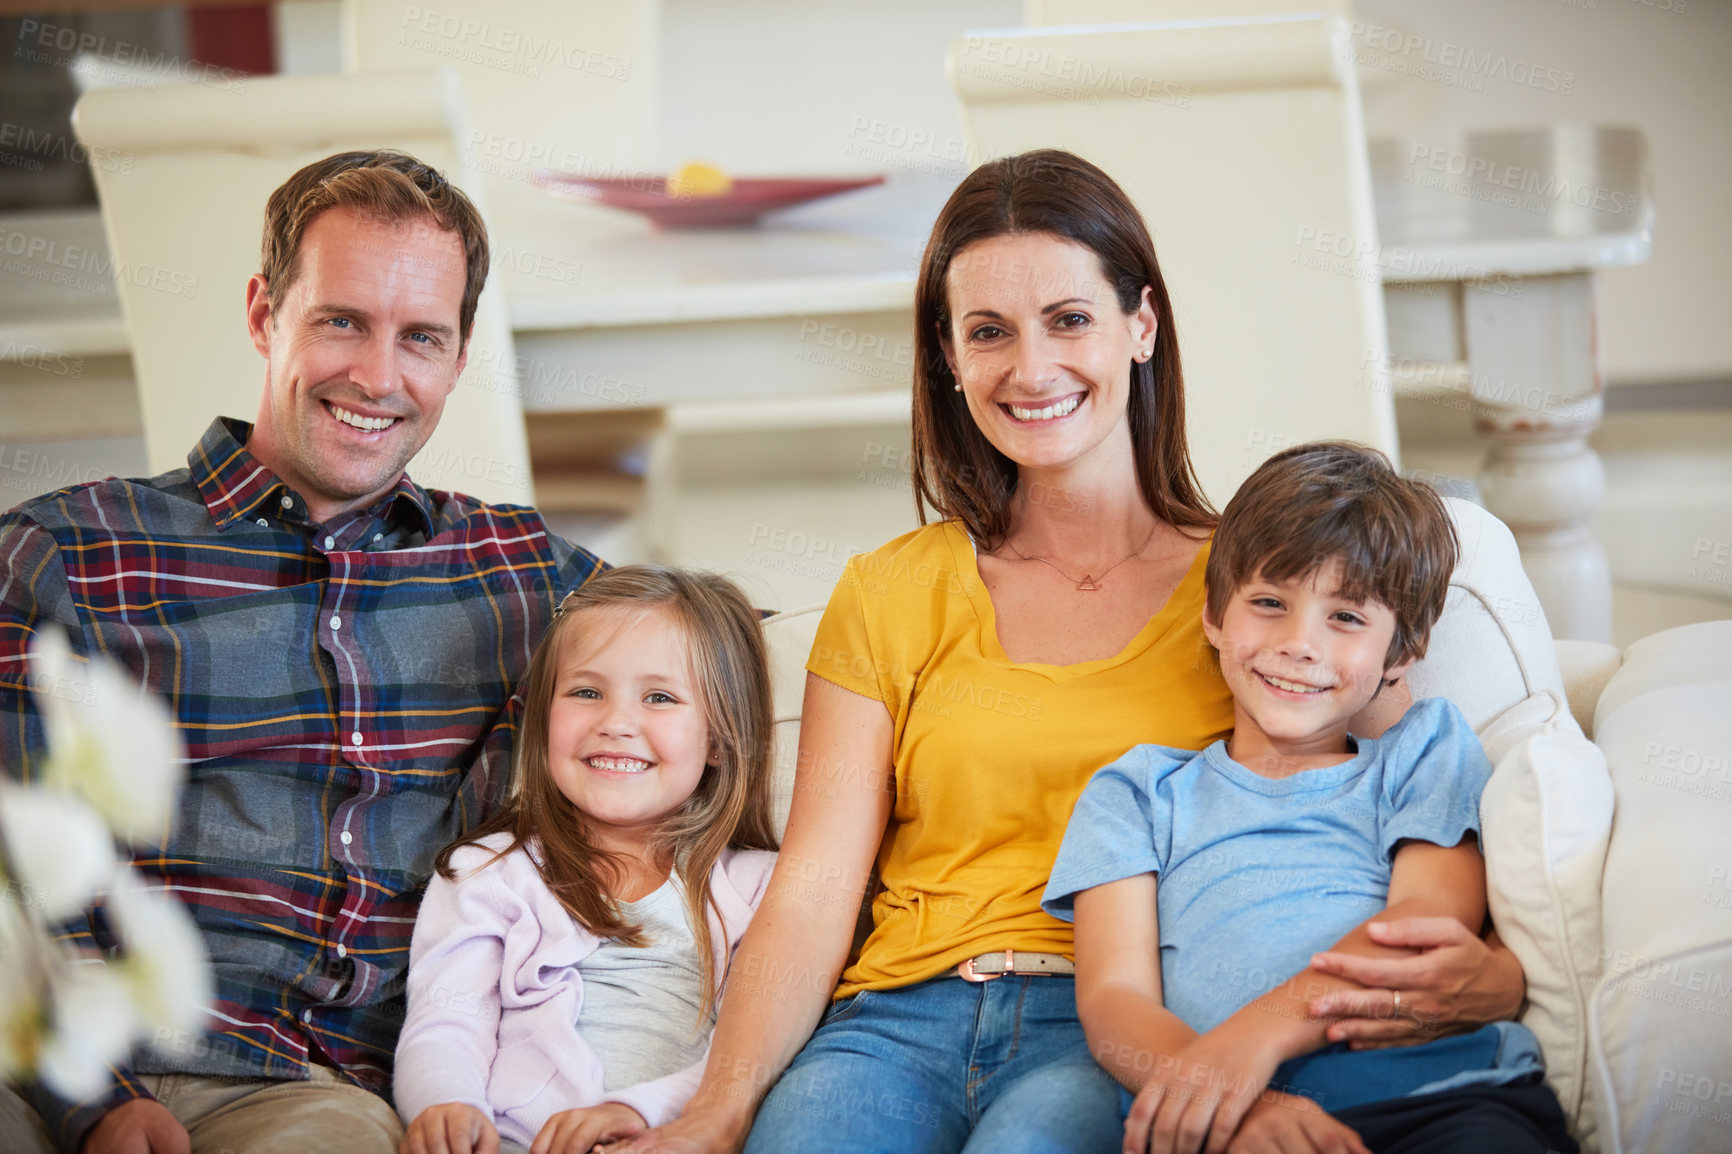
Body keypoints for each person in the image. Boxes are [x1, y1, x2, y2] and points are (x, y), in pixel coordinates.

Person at [612, 151, 1529, 1154]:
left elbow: (1394, 790)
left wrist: (1502, 970)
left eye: (1070, 318)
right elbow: (817, 880)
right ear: (949, 358)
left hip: (1113, 1025)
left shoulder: (1264, 600)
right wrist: (717, 1107)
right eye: (988, 332)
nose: (1031, 367)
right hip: (888, 1022)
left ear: (1141, 325)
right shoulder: (889, 587)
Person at [0, 150, 603, 1154]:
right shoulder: (62, 552)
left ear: (458, 359)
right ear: (261, 313)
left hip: (305, 1092)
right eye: (340, 320)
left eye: (420, 336)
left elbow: (709, 673)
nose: (377, 375)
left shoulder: (531, 578)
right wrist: (96, 1101)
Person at [1042, 442, 1577, 1154]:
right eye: (1269, 603)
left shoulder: (1422, 751)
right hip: (1228, 1124)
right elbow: (1115, 999)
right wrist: (1236, 1099)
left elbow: (1420, 926)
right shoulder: (1136, 791)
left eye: (1347, 618)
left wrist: (1251, 1043)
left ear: (1403, 652)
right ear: (1213, 617)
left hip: (1435, 1096)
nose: (1299, 643)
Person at [395, 567, 779, 1154]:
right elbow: (446, 1017)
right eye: (586, 692)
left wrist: (636, 1110)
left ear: (721, 739)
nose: (615, 723)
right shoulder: (490, 871)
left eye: (659, 697)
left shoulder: (758, 889)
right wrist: (446, 1102)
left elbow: (754, 1053)